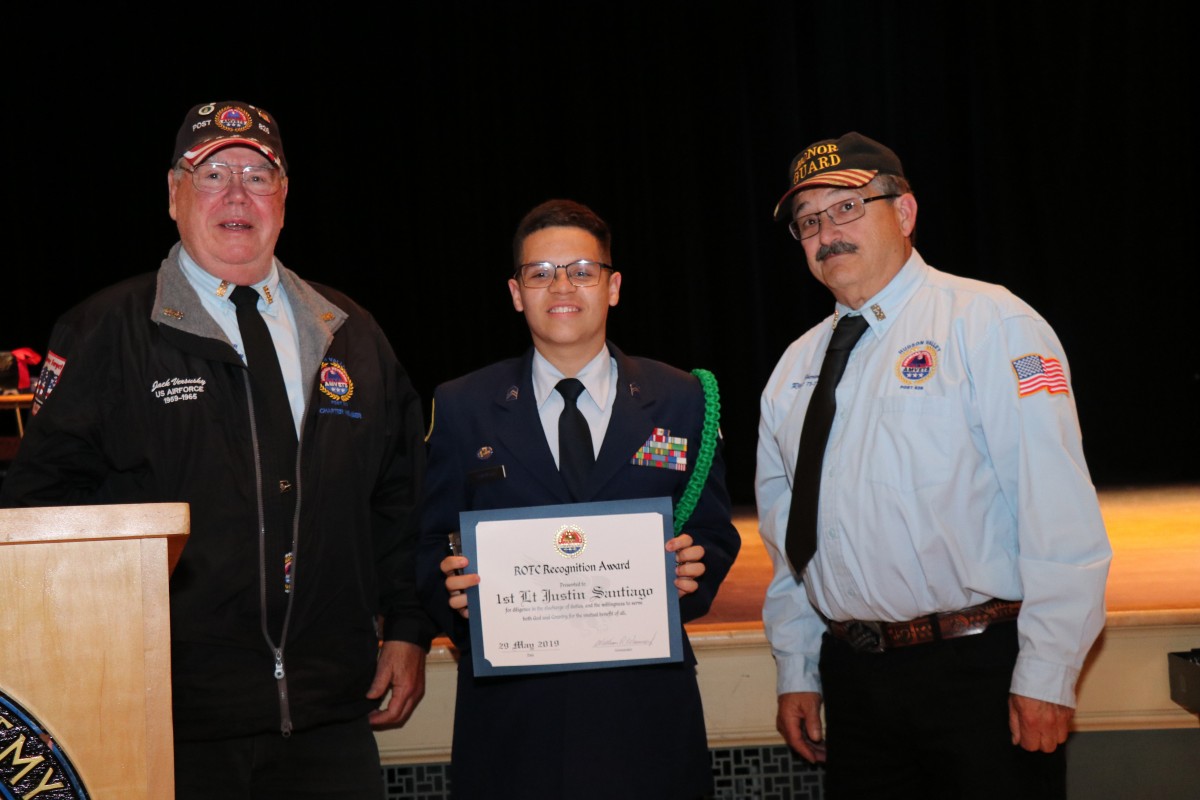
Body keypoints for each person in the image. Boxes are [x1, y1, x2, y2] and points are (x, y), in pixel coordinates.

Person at [0, 100, 437, 799]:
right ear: (174, 195)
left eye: (259, 175)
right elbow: (34, 518)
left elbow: (400, 498)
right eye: (212, 173)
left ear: (284, 198)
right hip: (166, 725)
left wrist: (410, 628)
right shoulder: (106, 332)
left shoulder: (351, 333)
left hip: (330, 721)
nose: (238, 193)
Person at [755, 132, 1112, 798]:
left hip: (978, 675)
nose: (827, 232)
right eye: (809, 221)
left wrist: (1048, 672)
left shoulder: (990, 323)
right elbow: (789, 539)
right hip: (855, 680)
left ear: (906, 212)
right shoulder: (795, 369)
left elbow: (1056, 511)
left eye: (848, 208)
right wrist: (798, 667)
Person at [417, 198, 741, 799]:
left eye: (581, 271)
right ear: (516, 292)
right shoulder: (462, 405)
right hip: (513, 719)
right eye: (540, 273)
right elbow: (429, 542)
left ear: (612, 286)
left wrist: (696, 568)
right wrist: (450, 588)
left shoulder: (680, 399)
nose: (560, 286)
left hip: (644, 711)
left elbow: (716, 534)